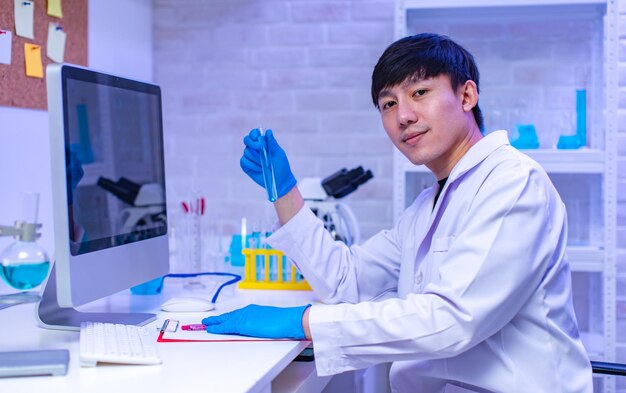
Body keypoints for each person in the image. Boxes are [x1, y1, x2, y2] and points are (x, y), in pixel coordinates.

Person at [202, 33, 593, 392]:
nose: (402, 116)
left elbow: (451, 321)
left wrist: (300, 322)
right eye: (388, 104)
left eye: (420, 92)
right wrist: (285, 192)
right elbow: (346, 281)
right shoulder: (429, 205)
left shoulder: (513, 183)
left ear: (466, 96)